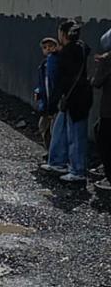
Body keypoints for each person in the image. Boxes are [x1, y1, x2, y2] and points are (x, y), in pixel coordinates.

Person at [41, 20, 93, 183]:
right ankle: (58, 162)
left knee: (75, 134)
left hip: (73, 98)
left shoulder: (66, 54)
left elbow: (61, 82)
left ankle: (76, 170)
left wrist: (51, 106)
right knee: (62, 130)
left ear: (63, 34)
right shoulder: (81, 49)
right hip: (80, 96)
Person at [90, 29, 111, 191]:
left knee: (103, 138)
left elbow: (96, 82)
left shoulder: (108, 60)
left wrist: (100, 66)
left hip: (108, 110)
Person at [34, 37, 59, 148]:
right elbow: (42, 84)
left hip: (53, 102)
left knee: (54, 129)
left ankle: (53, 153)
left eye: (50, 46)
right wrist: (38, 91)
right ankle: (48, 149)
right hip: (46, 102)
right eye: (45, 48)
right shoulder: (43, 65)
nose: (48, 49)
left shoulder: (56, 62)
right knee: (43, 126)